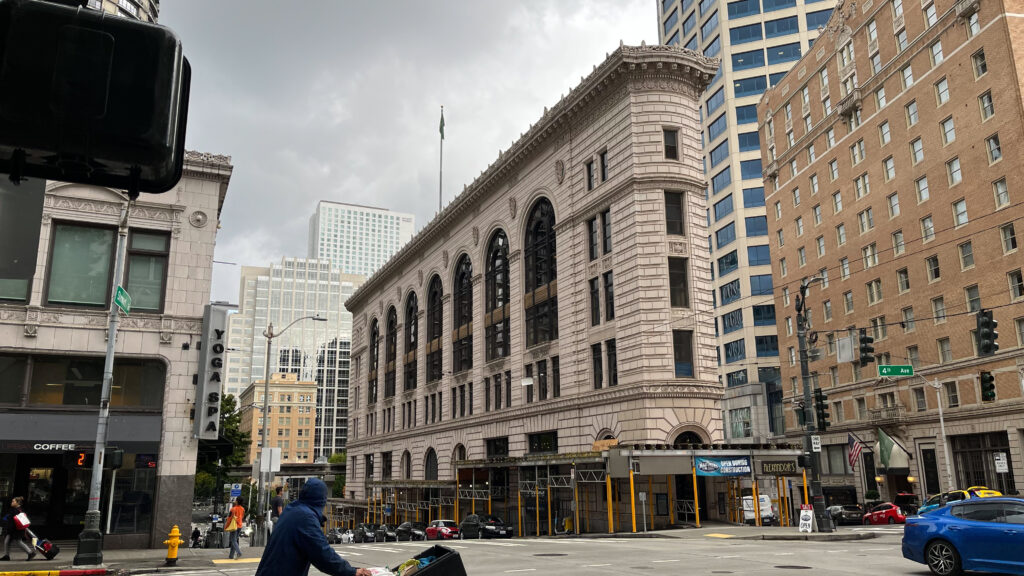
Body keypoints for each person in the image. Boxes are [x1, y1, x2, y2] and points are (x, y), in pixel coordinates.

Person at [254, 478, 369, 576]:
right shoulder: (306, 518)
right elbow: (322, 554)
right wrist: (352, 572)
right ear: (322, 500)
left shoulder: (291, 510)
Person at [1, 497, 35, 561]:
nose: (12, 502)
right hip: (13, 530)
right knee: (6, 542)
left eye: (13, 501)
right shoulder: (17, 510)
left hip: (16, 530)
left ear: (17, 503)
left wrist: (9, 528)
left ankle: (30, 553)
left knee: (18, 541)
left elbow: (14, 522)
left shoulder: (17, 510)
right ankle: (6, 556)